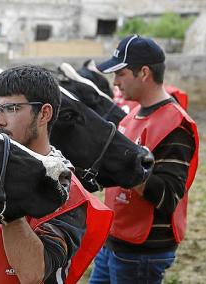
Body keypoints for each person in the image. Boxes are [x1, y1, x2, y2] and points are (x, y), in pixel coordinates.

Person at [0, 65, 113, 284]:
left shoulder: (68, 192)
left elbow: (33, 274)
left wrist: (5, 191)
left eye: (12, 108)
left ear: (44, 113)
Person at [89, 35, 199, 284]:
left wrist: (127, 168)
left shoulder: (175, 126)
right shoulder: (131, 117)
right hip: (115, 241)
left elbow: (169, 196)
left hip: (141, 252)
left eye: (121, 74)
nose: (115, 83)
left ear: (144, 73)